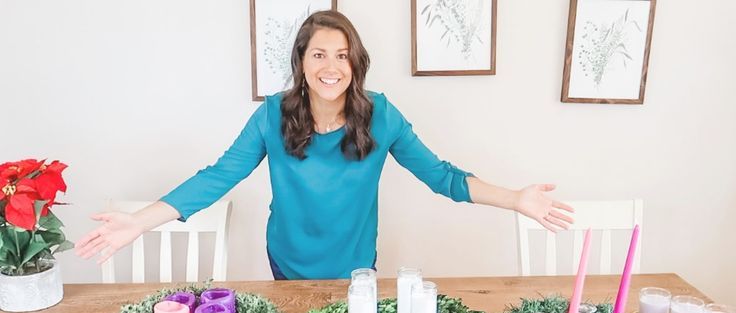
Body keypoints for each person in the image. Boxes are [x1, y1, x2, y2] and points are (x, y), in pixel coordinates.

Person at [76, 11, 573, 280]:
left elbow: (441, 176)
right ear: (302, 61)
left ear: (355, 63)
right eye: (318, 54)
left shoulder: (382, 115)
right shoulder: (272, 113)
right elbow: (217, 176)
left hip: (356, 268)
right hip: (286, 262)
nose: (330, 66)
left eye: (342, 55)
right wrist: (138, 221)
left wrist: (516, 199)